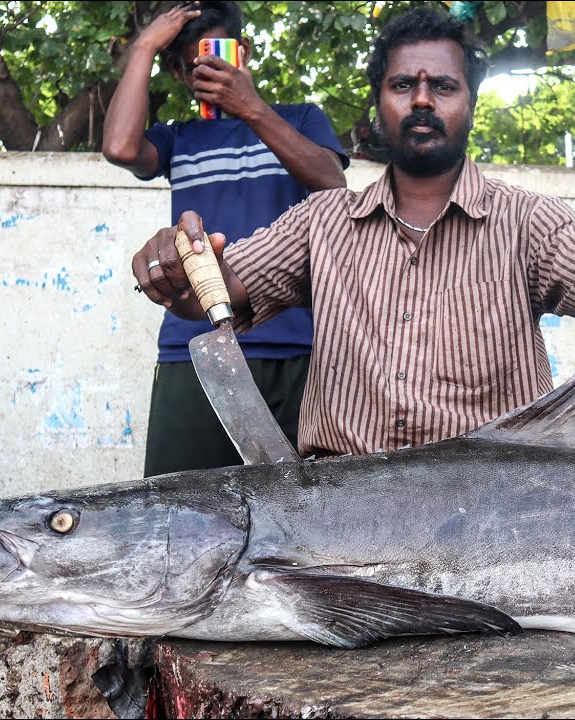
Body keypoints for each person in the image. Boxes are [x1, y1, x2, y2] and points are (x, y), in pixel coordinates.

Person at [130, 6, 575, 458]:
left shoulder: (527, 221)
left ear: (470, 103)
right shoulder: (321, 221)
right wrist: (180, 272)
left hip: (497, 515)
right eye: (402, 85)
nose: (421, 99)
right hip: (341, 523)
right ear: (379, 102)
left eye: (442, 85)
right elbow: (218, 293)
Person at [102, 1, 349, 475]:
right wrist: (146, 46)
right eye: (192, 63)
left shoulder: (298, 120)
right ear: (178, 74)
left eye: (218, 55)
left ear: (244, 54)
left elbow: (331, 183)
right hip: (195, 347)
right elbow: (119, 147)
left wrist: (251, 108)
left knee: (304, 515)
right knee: (179, 512)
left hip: (298, 348)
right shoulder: (178, 139)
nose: (207, 70)